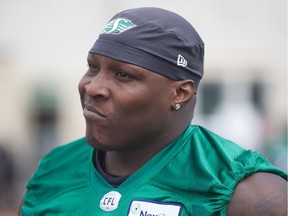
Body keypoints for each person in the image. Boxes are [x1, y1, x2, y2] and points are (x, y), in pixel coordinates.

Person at [20, 7, 287, 215]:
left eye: (123, 75)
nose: (92, 88)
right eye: (93, 67)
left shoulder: (247, 193)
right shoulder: (52, 172)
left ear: (179, 93)